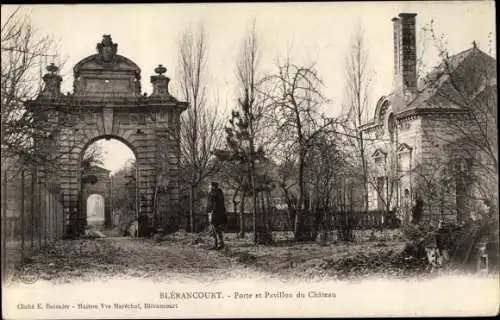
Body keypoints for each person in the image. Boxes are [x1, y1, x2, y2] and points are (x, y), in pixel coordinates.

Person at [206, 182, 227, 250]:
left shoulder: (217, 193)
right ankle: (215, 244)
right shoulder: (212, 193)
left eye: (210, 186)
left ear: (214, 186)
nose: (209, 187)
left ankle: (220, 244)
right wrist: (208, 212)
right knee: (213, 229)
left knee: (216, 229)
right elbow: (209, 204)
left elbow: (216, 204)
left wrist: (212, 212)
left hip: (216, 214)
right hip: (211, 213)